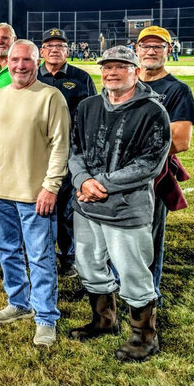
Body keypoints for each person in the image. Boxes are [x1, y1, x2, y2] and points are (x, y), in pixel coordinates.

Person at [67, 46, 170, 362]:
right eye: (107, 67)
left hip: (126, 208)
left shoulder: (152, 112)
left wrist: (101, 184)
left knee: (133, 271)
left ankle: (144, 337)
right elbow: (75, 150)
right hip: (87, 205)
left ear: (135, 71)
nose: (111, 72)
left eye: (120, 66)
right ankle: (104, 321)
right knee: (88, 264)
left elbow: (150, 163)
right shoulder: (88, 106)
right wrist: (82, 180)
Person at [0, 40, 69, 347]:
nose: (20, 65)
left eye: (27, 60)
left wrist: (51, 187)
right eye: (15, 59)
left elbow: (60, 147)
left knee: (40, 258)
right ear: (7, 61)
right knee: (8, 252)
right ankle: (19, 302)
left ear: (36, 62)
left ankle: (45, 318)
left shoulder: (51, 97)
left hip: (35, 195)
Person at [136, 26, 194, 301]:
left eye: (158, 46)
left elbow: (182, 140)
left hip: (153, 175)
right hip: (117, 175)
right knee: (117, 234)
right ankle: (120, 286)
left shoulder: (176, 90)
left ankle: (149, 293)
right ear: (136, 49)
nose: (151, 51)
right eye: (146, 46)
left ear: (168, 51)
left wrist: (135, 159)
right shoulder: (124, 81)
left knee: (148, 236)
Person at [37, 28, 98, 276]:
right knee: (37, 205)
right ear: (41, 51)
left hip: (70, 152)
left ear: (68, 50)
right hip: (37, 152)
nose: (54, 50)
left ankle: (68, 255)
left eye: (60, 46)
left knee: (65, 208)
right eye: (49, 46)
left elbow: (93, 116)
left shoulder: (81, 78)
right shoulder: (31, 76)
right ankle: (41, 254)